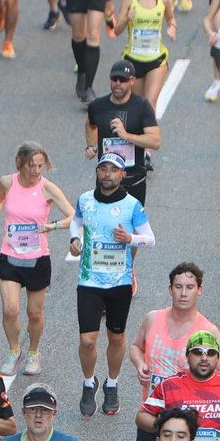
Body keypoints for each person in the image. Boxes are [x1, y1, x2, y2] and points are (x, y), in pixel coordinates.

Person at [71, 153, 156, 417]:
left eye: (113, 170)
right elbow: (76, 222)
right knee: (87, 340)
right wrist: (74, 239)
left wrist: (129, 237)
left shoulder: (132, 206)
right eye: (103, 169)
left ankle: (112, 383)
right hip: (89, 279)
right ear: (98, 172)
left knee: (116, 337)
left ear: (122, 175)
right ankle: (88, 383)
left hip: (119, 281)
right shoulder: (85, 199)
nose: (107, 174)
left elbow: (150, 239)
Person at [129, 264, 220, 441]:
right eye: (178, 287)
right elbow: (136, 347)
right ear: (170, 289)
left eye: (190, 287)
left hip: (185, 427)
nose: (183, 293)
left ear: (199, 290)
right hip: (152, 418)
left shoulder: (207, 331)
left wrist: (198, 382)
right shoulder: (152, 318)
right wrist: (139, 364)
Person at [0, 142, 75, 376]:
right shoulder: (8, 182)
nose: (37, 171)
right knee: (10, 309)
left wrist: (54, 226)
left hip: (37, 258)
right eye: (32, 166)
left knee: (34, 313)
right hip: (10, 255)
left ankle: (34, 352)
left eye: (40, 165)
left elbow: (72, 216)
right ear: (20, 163)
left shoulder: (48, 188)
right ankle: (14, 350)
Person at [85, 59, 162, 207]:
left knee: (130, 228)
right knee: (105, 225)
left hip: (134, 179)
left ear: (132, 81)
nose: (118, 83)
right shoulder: (98, 106)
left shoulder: (142, 106)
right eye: (115, 79)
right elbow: (90, 125)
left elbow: (155, 141)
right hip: (106, 180)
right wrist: (91, 146)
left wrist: (126, 136)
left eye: (123, 80)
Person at [114, 0, 178, 105]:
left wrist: (172, 28)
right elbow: (116, 31)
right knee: (137, 104)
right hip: (133, 58)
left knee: (149, 104)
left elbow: (171, 19)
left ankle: (151, 128)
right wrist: (127, 19)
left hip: (156, 59)